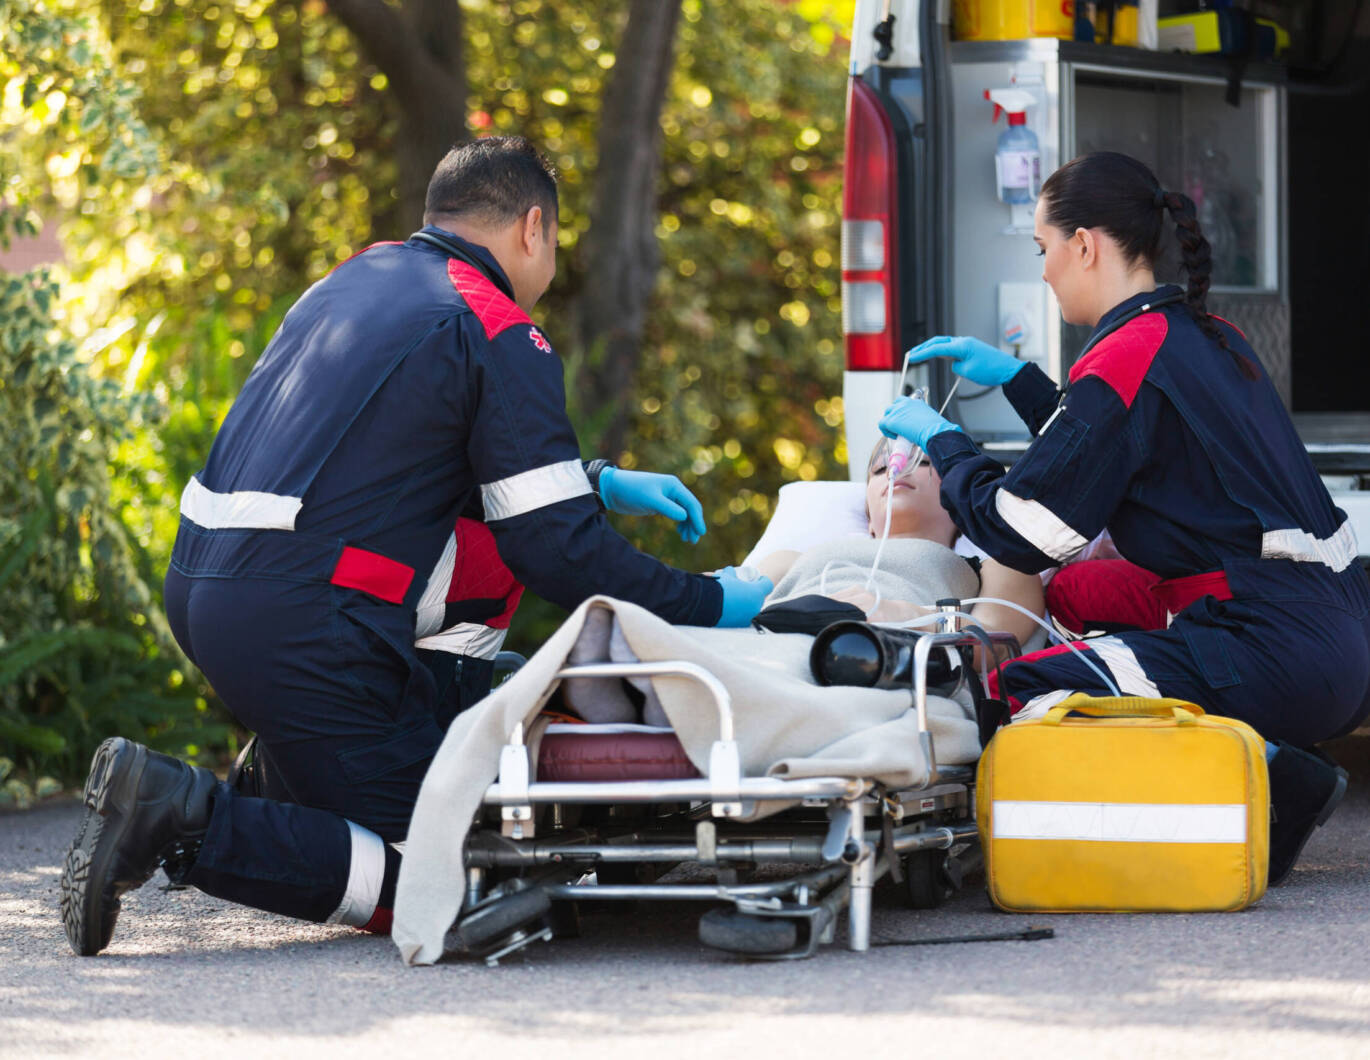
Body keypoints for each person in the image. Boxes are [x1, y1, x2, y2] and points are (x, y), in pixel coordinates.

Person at [59, 136, 773, 956]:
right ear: (532, 227)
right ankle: (181, 817)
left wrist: (596, 479)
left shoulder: (356, 281)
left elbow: (398, 462)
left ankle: (284, 780)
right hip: (304, 623)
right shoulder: (499, 328)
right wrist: (713, 601)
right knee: (472, 875)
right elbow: (559, 553)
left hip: (212, 589)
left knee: (456, 611)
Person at [876, 151, 1370, 886]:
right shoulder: (1206, 334)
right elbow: (1113, 450)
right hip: (1334, 632)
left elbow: (1025, 528)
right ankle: (1279, 771)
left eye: (1044, 249)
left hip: (1272, 646)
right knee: (1083, 604)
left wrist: (944, 444)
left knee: (1023, 687)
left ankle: (1273, 777)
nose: (1043, 271)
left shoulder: (1124, 358)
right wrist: (1020, 381)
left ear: (1085, 246)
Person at [755, 439, 1045, 654]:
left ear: (960, 505)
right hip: (769, 652)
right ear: (868, 518)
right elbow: (722, 604)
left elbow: (989, 641)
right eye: (880, 469)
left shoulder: (1000, 567)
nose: (897, 470)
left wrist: (909, 617)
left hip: (881, 665)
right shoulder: (787, 561)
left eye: (922, 463)